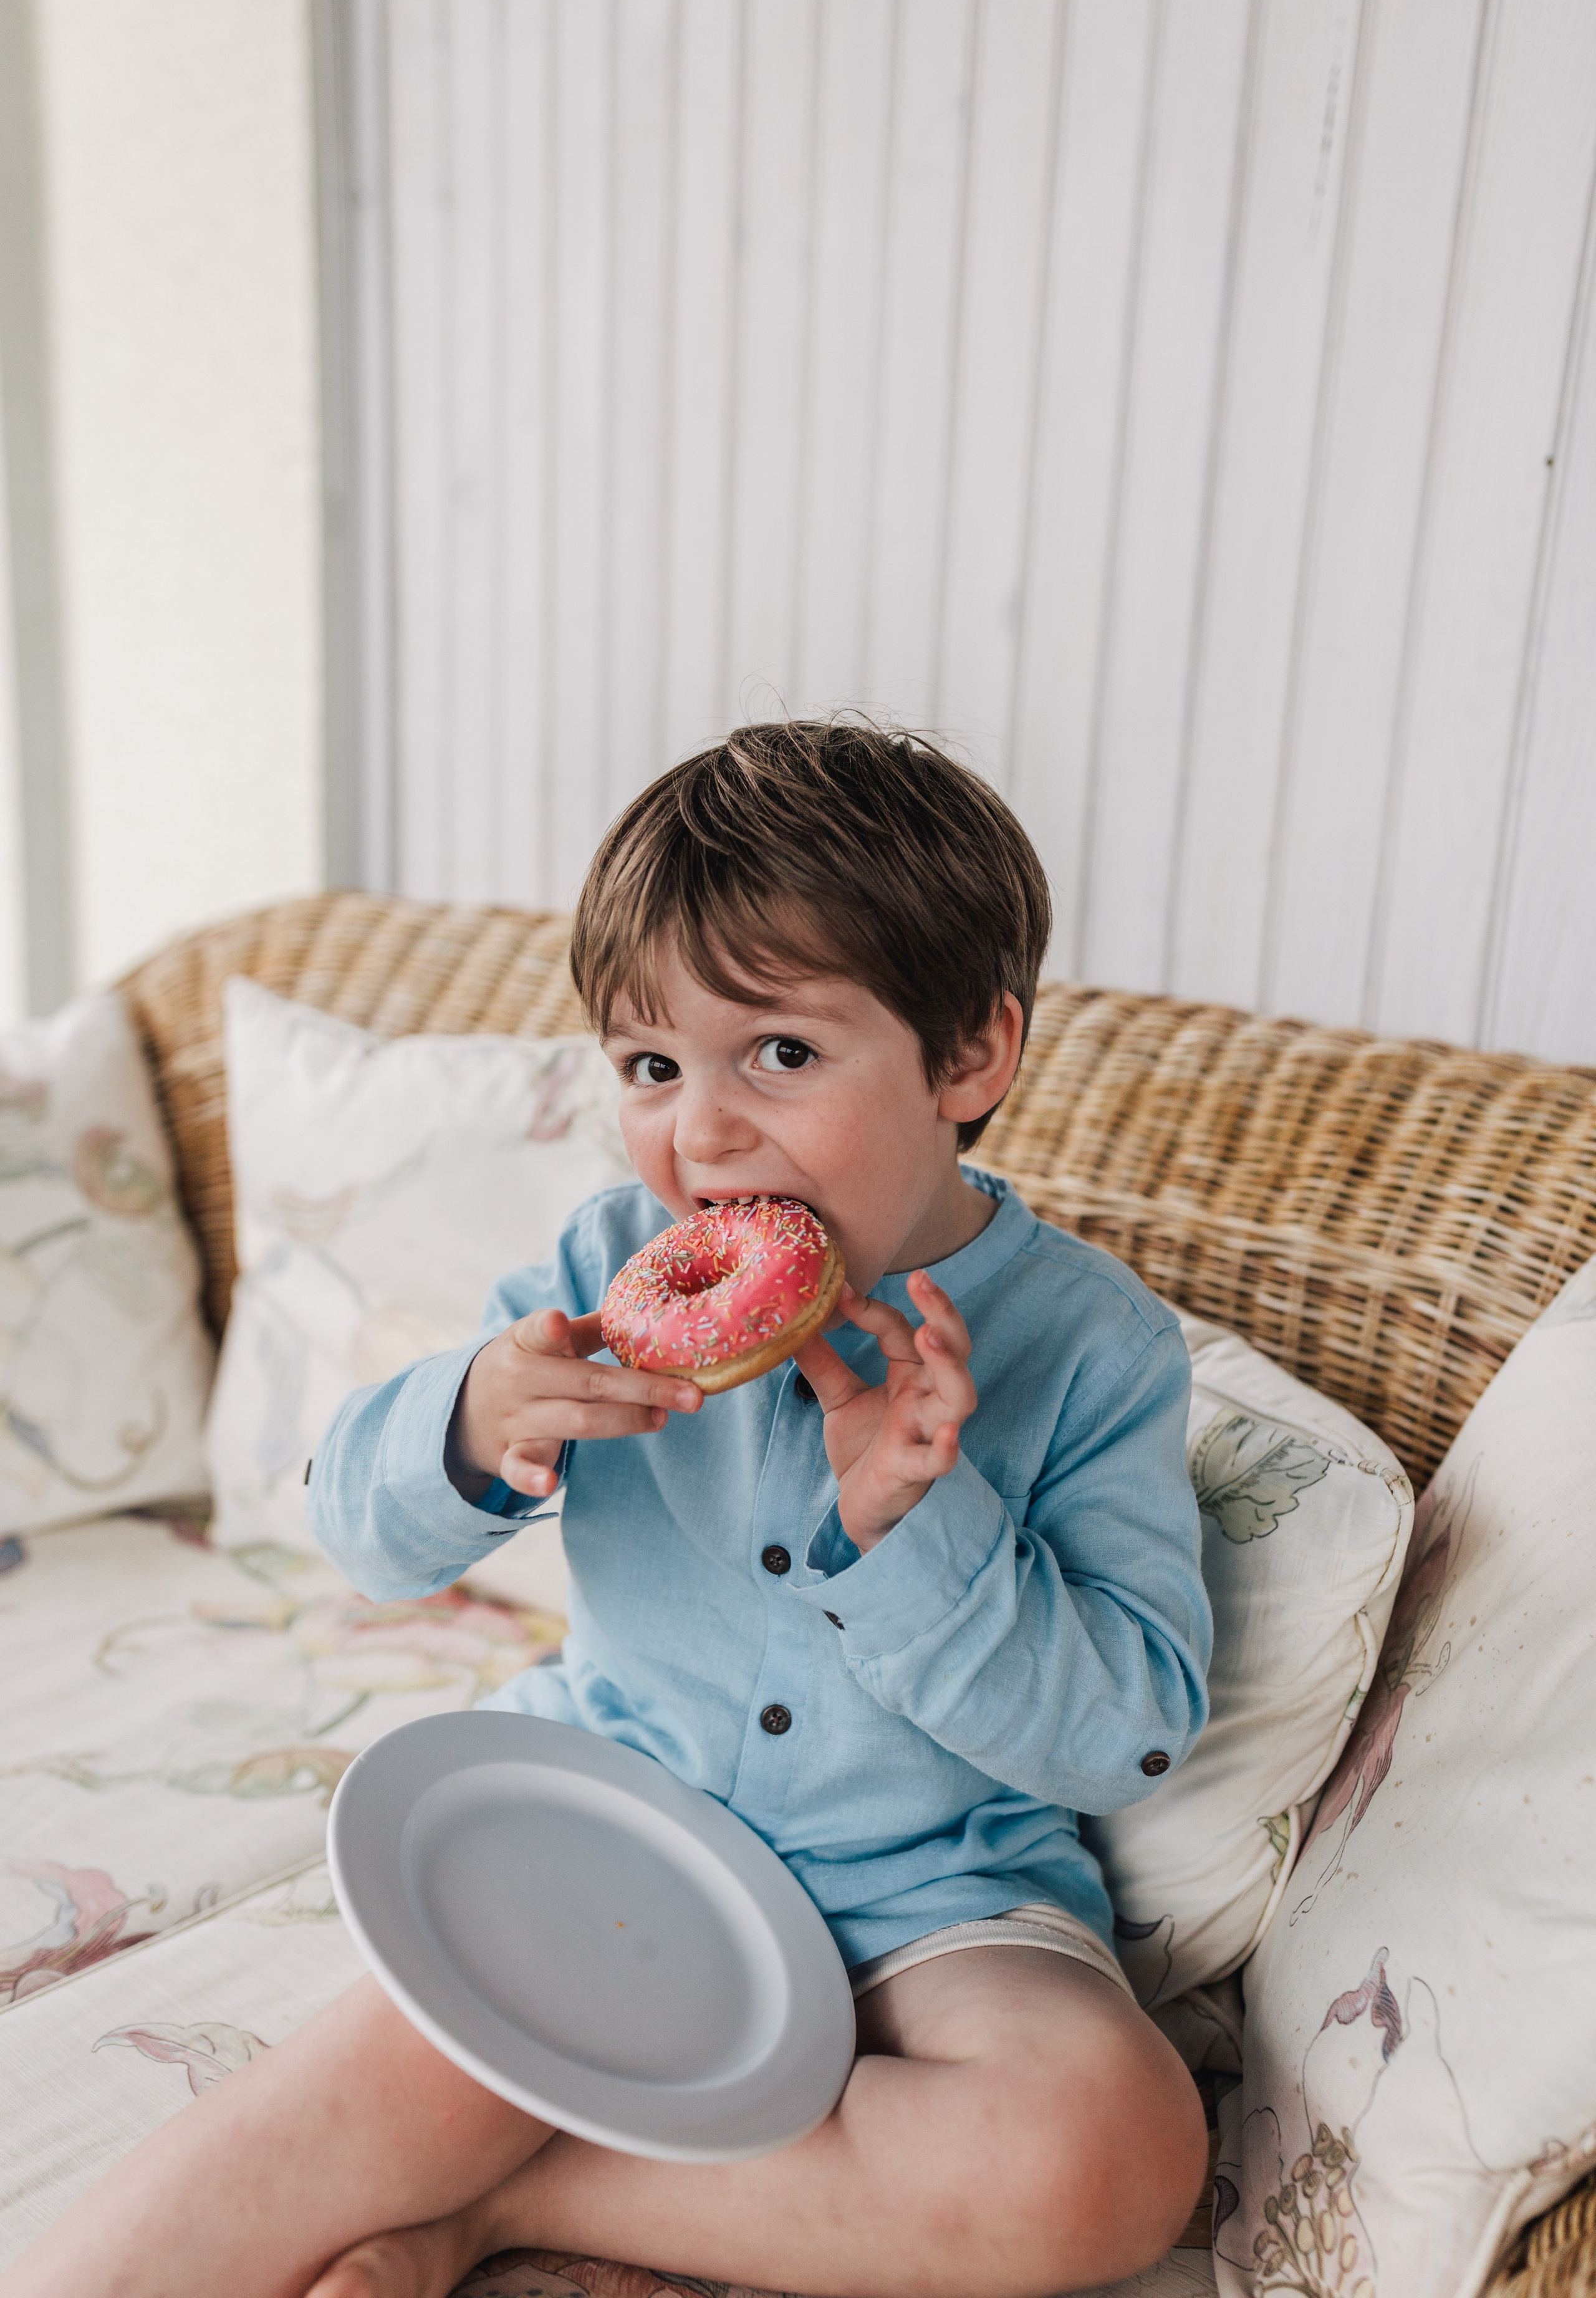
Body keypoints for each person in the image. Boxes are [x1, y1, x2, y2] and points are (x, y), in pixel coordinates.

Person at [2, 719, 1211, 2298]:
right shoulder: (597, 1273)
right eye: (652, 1067)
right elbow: (357, 1537)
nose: (698, 1134)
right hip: (611, 1825)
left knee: (1103, 2158)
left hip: (937, 1889)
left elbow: (1126, 1733)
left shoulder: (1095, 1344)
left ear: (969, 1056)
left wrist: (918, 1529)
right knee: (358, 2093)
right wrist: (469, 1422)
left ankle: (518, 2201)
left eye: (776, 1053)